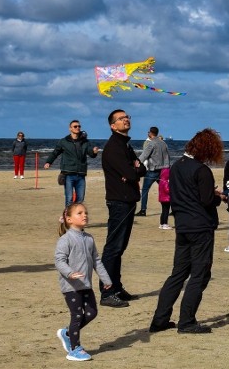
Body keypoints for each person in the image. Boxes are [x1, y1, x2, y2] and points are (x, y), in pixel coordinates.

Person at [150, 129, 226, 334]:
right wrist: (218, 197)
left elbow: (188, 193)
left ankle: (160, 320)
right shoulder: (201, 170)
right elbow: (206, 200)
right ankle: (187, 321)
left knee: (178, 273)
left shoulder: (177, 166)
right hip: (200, 227)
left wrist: (210, 193)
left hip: (183, 226)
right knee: (199, 275)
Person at [54, 203, 112, 361]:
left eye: (85, 212)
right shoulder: (65, 239)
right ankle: (74, 349)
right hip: (70, 286)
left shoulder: (89, 238)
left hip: (86, 284)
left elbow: (96, 260)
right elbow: (59, 261)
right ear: (69, 219)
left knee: (92, 313)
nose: (84, 215)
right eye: (79, 213)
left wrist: (105, 278)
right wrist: (70, 273)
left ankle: (67, 333)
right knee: (77, 315)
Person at [99, 109, 145, 308]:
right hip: (119, 200)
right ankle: (107, 292)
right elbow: (133, 173)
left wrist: (135, 169)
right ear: (112, 125)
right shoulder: (114, 147)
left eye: (127, 117)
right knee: (113, 248)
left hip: (127, 200)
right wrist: (133, 170)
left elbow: (141, 169)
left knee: (120, 248)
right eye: (121, 118)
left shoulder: (125, 145)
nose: (126, 120)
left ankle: (116, 287)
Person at [45, 121, 100, 208]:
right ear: (70, 128)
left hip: (81, 174)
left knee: (80, 199)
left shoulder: (85, 142)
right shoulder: (64, 141)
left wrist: (94, 152)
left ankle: (75, 219)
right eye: (75, 126)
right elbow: (55, 152)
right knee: (69, 199)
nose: (77, 128)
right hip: (68, 173)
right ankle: (67, 219)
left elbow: (91, 154)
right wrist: (48, 162)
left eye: (79, 126)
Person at [136, 126, 170, 217]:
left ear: (150, 133)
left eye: (148, 132)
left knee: (145, 190)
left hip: (153, 170)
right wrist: (167, 168)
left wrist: (136, 163)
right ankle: (174, 209)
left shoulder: (151, 143)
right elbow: (167, 157)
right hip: (163, 170)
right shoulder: (163, 143)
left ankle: (143, 210)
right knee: (166, 190)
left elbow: (144, 155)